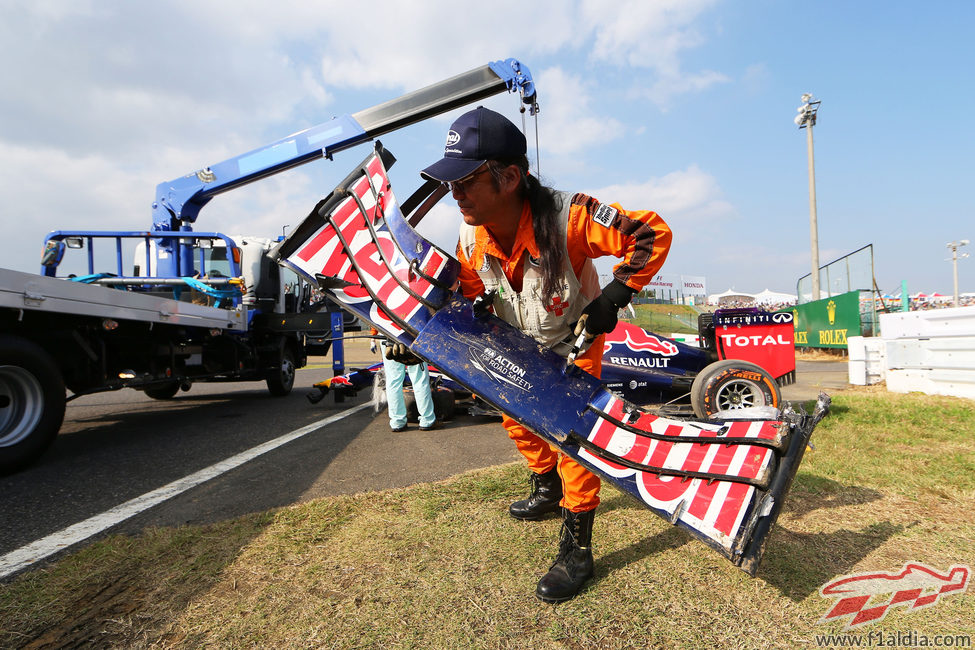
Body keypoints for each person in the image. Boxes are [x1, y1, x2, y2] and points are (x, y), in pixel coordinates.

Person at [419, 106, 672, 603]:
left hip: (573, 339)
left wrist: (612, 299)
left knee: (573, 440)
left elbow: (650, 234)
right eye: (451, 183)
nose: (456, 194)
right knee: (513, 416)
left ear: (510, 176)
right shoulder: (470, 237)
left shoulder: (571, 215)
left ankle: (577, 547)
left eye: (466, 181)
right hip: (518, 343)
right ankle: (544, 487)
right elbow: (470, 294)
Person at [379, 332, 439, 433]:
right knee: (420, 379)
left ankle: (397, 422)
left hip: (386, 333)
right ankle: (427, 420)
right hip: (410, 333)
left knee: (393, 380)